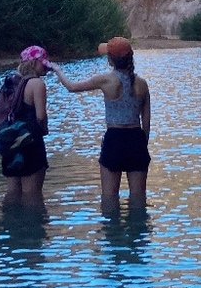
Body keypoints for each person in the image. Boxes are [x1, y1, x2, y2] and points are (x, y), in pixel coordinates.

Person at [48, 36, 151, 210]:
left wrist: (57, 70)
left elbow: (72, 87)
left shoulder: (105, 80)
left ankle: (112, 235)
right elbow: (146, 122)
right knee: (138, 199)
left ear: (110, 59)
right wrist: (141, 145)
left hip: (114, 139)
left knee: (109, 197)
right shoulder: (142, 84)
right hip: (136, 139)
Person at [0, 45, 50, 205]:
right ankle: (32, 227)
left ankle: (13, 227)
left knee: (12, 195)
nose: (46, 66)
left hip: (10, 143)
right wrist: (44, 128)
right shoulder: (36, 84)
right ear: (33, 63)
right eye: (43, 62)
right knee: (32, 197)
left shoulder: (10, 82)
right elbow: (40, 116)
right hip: (31, 142)